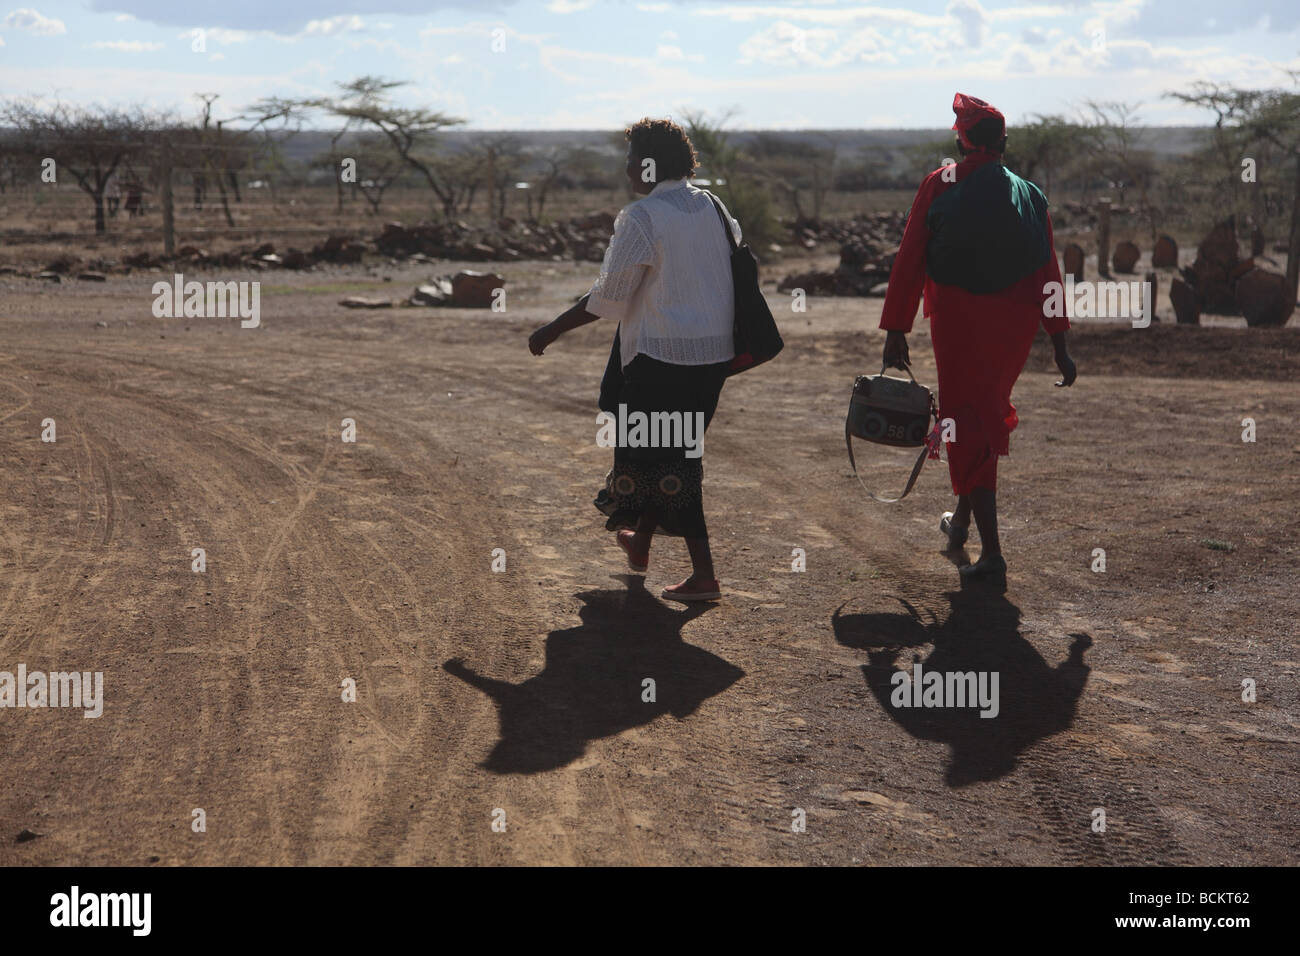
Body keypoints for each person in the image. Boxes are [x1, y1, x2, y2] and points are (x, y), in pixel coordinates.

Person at [528, 118, 739, 602]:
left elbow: (609, 298)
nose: (626, 171)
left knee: (675, 465)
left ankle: (704, 576)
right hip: (711, 359)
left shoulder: (643, 218)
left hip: (661, 358)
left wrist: (551, 330)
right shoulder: (714, 207)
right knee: (667, 454)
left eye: (630, 161)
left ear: (647, 165)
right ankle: (639, 542)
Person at [879, 93, 1077, 591]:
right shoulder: (1030, 195)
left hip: (959, 319)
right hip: (1015, 325)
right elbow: (1048, 272)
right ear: (1004, 142)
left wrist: (895, 328)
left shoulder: (939, 185)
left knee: (966, 420)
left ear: (962, 140)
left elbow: (910, 260)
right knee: (981, 412)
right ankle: (963, 523)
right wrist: (1059, 340)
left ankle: (992, 554)